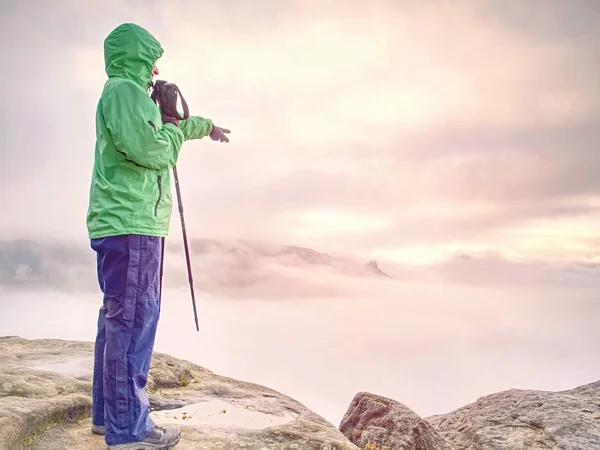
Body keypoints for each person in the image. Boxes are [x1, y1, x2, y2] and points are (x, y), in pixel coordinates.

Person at [85, 22, 230, 449]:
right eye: (151, 62)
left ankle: (109, 416)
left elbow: (162, 133)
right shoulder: (124, 93)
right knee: (132, 322)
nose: (155, 73)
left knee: (118, 319)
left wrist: (200, 126)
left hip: (125, 224)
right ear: (138, 57)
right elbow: (153, 149)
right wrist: (171, 130)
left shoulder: (124, 93)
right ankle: (128, 429)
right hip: (133, 225)